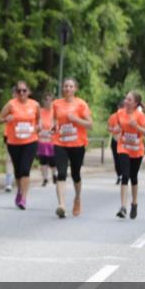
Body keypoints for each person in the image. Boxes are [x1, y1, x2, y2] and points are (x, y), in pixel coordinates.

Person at [52, 78, 93, 218]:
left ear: (75, 88)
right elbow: (53, 120)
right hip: (60, 142)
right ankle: (62, 205)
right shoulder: (56, 104)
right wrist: (53, 127)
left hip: (77, 143)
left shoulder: (81, 104)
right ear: (63, 88)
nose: (68, 89)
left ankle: (77, 198)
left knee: (76, 174)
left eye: (71, 86)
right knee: (61, 173)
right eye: (65, 86)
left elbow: (89, 124)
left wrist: (76, 120)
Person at [0, 81, 41, 210]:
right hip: (14, 142)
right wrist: (6, 119)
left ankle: (23, 198)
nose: (21, 93)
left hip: (31, 141)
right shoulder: (11, 104)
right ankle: (19, 191)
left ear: (29, 92)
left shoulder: (35, 105)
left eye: (24, 90)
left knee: (25, 169)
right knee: (17, 171)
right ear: (16, 92)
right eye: (19, 91)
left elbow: (38, 120)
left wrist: (38, 127)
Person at [110, 91, 145, 218]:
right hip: (123, 148)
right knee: (125, 175)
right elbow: (113, 127)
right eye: (126, 99)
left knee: (133, 176)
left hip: (137, 150)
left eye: (129, 100)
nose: (126, 101)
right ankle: (123, 207)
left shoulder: (140, 116)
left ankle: (134, 203)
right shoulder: (119, 113)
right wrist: (115, 130)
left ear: (135, 103)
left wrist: (137, 126)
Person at [37, 93, 56, 187]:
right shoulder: (40, 111)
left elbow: (56, 124)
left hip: (52, 140)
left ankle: (54, 174)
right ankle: (45, 178)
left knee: (53, 160)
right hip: (42, 139)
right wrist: (40, 130)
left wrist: (51, 131)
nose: (48, 102)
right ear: (43, 101)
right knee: (43, 160)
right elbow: (37, 122)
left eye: (50, 100)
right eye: (46, 100)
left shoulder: (54, 112)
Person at [108, 100, 126, 185]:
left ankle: (124, 174)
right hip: (115, 140)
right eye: (120, 108)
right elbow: (109, 128)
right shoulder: (113, 116)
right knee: (116, 159)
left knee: (123, 159)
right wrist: (113, 129)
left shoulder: (128, 116)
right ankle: (119, 175)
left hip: (125, 141)